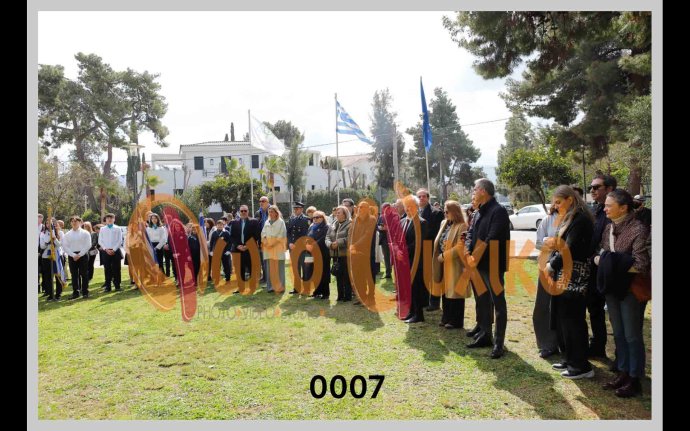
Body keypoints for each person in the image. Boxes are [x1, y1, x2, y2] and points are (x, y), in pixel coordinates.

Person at [597, 189, 650, 397]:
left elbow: (641, 264)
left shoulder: (638, 229)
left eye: (609, 206)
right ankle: (623, 371)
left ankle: (634, 378)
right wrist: (604, 260)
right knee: (618, 333)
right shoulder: (609, 227)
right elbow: (602, 252)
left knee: (631, 335)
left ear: (623, 208)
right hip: (612, 287)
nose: (605, 209)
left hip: (631, 289)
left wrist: (610, 262)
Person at [547, 186, 595, 379]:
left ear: (570, 199)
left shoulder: (580, 219)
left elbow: (570, 248)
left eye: (558, 202)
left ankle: (580, 365)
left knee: (573, 320)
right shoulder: (570, 217)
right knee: (563, 319)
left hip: (575, 275)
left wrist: (552, 264)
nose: (556, 206)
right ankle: (569, 358)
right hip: (565, 274)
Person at [464, 178, 510, 359]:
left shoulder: (498, 211)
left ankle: (499, 343)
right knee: (482, 301)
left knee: (498, 304)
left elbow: (492, 237)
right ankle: (485, 334)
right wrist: (468, 253)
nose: (473, 192)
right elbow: (470, 234)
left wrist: (474, 256)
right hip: (477, 264)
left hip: (492, 264)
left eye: (474, 189)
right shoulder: (478, 212)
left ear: (483, 191)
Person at [587, 174, 617, 359]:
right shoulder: (596, 210)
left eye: (596, 187)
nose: (592, 190)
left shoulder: (619, 212)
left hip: (612, 270)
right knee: (595, 309)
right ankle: (598, 347)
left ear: (609, 189)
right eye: (591, 187)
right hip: (594, 269)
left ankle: (621, 360)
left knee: (616, 316)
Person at [433, 200, 470, 329]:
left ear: (454, 212)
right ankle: (446, 317)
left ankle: (456, 321)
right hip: (442, 263)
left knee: (456, 292)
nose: (445, 213)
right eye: (444, 211)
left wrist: (444, 256)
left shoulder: (463, 226)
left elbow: (460, 246)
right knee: (445, 291)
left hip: (455, 264)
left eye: (447, 211)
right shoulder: (444, 223)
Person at [533, 205, 561, 358]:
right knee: (543, 305)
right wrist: (551, 243)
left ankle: (563, 342)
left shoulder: (575, 219)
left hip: (567, 269)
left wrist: (553, 242)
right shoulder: (547, 220)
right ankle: (547, 344)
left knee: (562, 308)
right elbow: (538, 243)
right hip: (546, 267)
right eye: (556, 201)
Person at [400, 195, 429, 323]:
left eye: (410, 206)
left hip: (415, 261)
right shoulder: (402, 221)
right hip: (403, 261)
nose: (408, 209)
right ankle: (410, 312)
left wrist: (403, 251)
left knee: (416, 288)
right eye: (406, 207)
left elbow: (418, 243)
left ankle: (418, 314)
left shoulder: (422, 222)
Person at [417, 188, 444, 311]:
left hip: (431, 248)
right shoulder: (415, 212)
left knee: (434, 276)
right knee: (423, 276)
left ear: (428, 198)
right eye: (419, 196)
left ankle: (434, 302)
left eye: (424, 196)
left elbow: (436, 232)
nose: (421, 198)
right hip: (419, 249)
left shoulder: (436, 213)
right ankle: (424, 300)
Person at [325, 206, 352, 302]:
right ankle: (340, 295)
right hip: (335, 254)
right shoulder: (333, 224)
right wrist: (330, 244)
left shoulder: (350, 224)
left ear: (345, 214)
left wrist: (338, 242)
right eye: (336, 213)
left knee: (346, 275)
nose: (336, 214)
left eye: (339, 213)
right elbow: (327, 237)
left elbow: (350, 238)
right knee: (338, 274)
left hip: (345, 255)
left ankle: (347, 296)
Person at [62, 216, 92, 299]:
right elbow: (65, 246)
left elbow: (88, 245)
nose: (74, 223)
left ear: (80, 222)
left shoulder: (85, 233)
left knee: (84, 274)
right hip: (72, 256)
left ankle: (85, 292)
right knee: (74, 275)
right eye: (72, 221)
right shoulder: (67, 234)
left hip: (83, 255)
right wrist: (73, 255)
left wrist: (80, 254)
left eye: (76, 221)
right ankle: (76, 292)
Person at [228, 205, 261, 282]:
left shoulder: (254, 221)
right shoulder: (234, 222)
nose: (243, 212)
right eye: (242, 211)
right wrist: (237, 245)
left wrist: (247, 246)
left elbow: (257, 235)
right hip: (238, 249)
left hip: (250, 248)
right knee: (239, 268)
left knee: (252, 267)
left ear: (248, 211)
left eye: (245, 211)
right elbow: (231, 237)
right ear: (239, 212)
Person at [261, 205, 287, 293]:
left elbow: (281, 235)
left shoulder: (281, 222)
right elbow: (263, 233)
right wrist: (266, 242)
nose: (270, 213)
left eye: (272, 212)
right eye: (269, 212)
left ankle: (280, 287)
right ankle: (271, 287)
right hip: (268, 248)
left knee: (279, 269)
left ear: (276, 213)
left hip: (278, 248)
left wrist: (272, 243)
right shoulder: (266, 222)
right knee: (270, 268)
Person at [286, 202, 310, 294]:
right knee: (295, 269)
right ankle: (297, 288)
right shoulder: (291, 219)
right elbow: (288, 233)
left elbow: (307, 235)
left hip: (302, 249)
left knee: (305, 268)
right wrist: (289, 243)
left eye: (297, 209)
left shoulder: (306, 219)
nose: (295, 210)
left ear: (302, 209)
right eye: (294, 209)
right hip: (293, 248)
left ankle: (306, 288)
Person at [307, 210, 331, 300]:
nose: (315, 219)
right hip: (313, 253)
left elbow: (324, 238)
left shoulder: (326, 227)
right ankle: (317, 291)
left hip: (323, 253)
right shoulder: (311, 226)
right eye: (313, 217)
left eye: (317, 217)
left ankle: (325, 293)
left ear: (322, 218)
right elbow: (308, 236)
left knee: (324, 273)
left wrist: (313, 245)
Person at [39, 217, 63, 301]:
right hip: (46, 257)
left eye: (51, 223)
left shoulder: (60, 232)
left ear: (54, 224)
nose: (48, 224)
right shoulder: (43, 233)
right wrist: (49, 240)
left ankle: (58, 294)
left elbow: (59, 245)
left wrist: (54, 238)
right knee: (48, 276)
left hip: (57, 256)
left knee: (58, 275)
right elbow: (42, 246)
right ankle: (50, 294)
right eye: (47, 223)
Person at [98, 213, 123, 292]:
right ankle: (108, 286)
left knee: (117, 269)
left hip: (116, 251)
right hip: (106, 251)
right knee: (107, 269)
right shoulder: (102, 229)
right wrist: (106, 249)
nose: (109, 219)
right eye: (108, 218)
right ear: (105, 220)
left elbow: (120, 240)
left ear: (114, 219)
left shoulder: (118, 228)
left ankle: (117, 286)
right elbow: (100, 241)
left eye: (111, 218)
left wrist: (114, 249)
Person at [255, 196, 270, 282]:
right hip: (261, 240)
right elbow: (256, 227)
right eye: (260, 201)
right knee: (263, 259)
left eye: (263, 201)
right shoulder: (258, 213)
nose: (261, 202)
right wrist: (257, 239)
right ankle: (265, 277)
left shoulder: (272, 210)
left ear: (268, 202)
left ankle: (271, 277)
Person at [377, 203, 392, 279]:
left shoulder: (393, 216)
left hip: (391, 239)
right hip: (383, 239)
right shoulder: (381, 216)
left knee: (393, 257)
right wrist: (380, 227)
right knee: (386, 256)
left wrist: (387, 228)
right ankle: (388, 273)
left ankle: (394, 273)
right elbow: (378, 225)